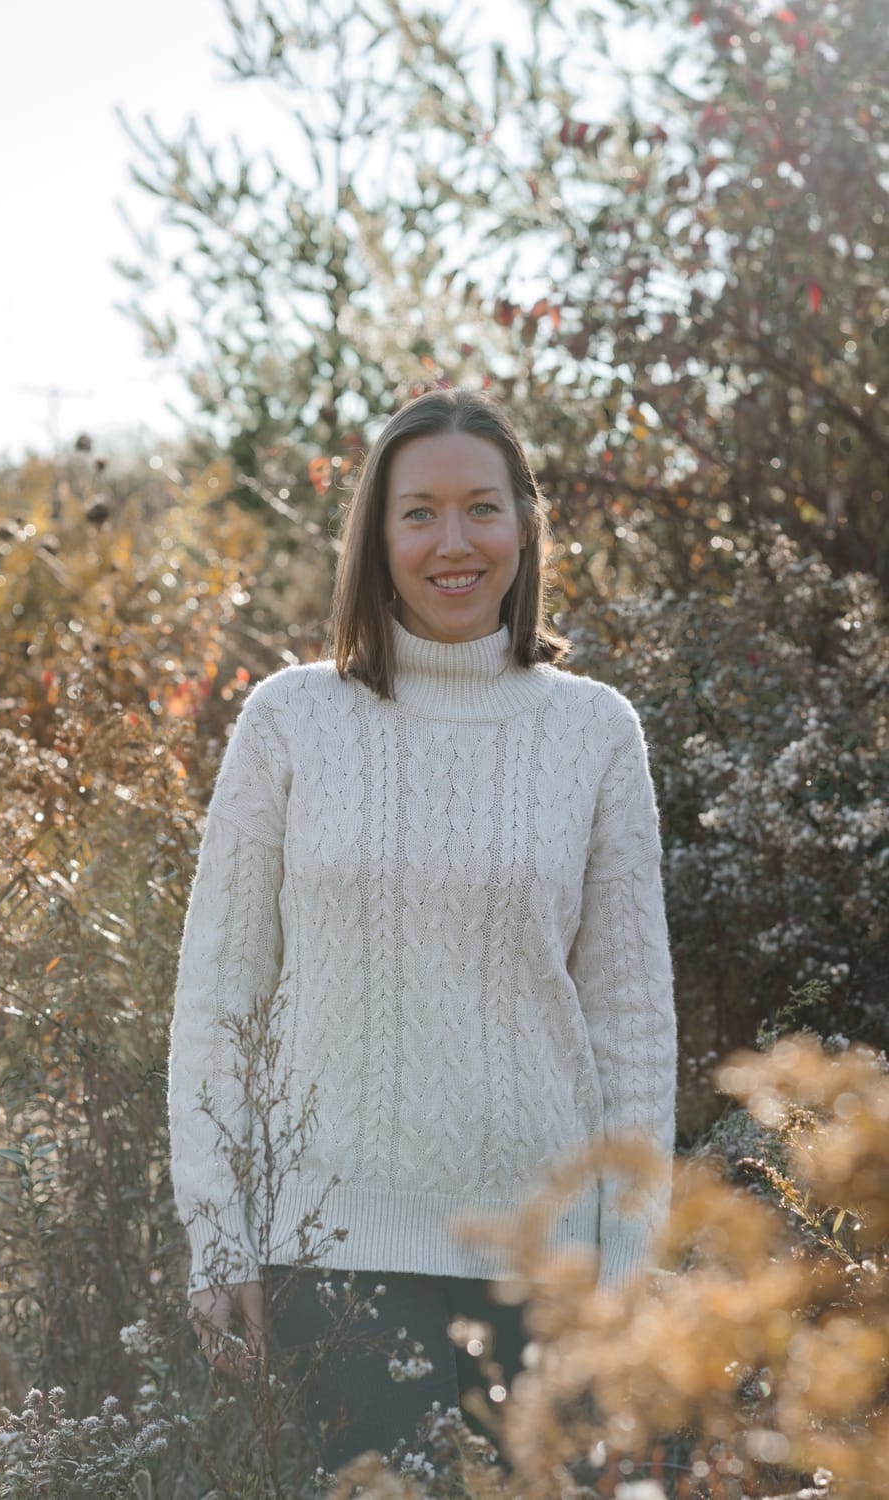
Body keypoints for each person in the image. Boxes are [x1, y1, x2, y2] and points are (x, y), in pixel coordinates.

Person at [167, 387, 677, 1470]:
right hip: (332, 1253)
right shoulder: (291, 720)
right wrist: (219, 1235)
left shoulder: (594, 732)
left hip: (549, 1264)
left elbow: (632, 1022)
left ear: (524, 524)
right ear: (376, 535)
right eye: (418, 513)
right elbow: (219, 999)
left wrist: (629, 1257)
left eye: (482, 508)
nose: (454, 542)